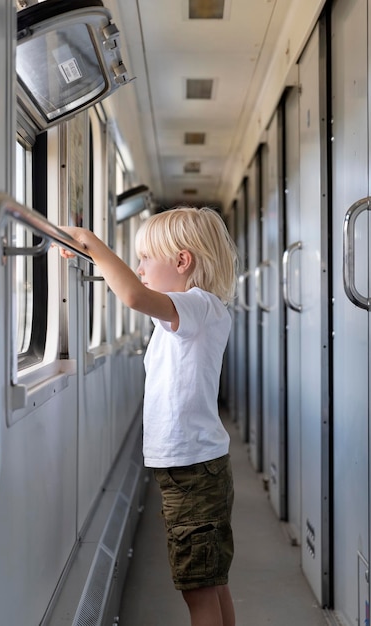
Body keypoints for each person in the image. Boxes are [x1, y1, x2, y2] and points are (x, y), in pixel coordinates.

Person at [57, 206, 239, 626]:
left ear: (181, 261)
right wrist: (93, 258)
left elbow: (134, 296)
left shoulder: (195, 307)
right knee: (212, 582)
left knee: (199, 592)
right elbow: (136, 290)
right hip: (196, 466)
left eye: (145, 258)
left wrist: (92, 243)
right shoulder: (194, 312)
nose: (138, 268)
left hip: (192, 470)